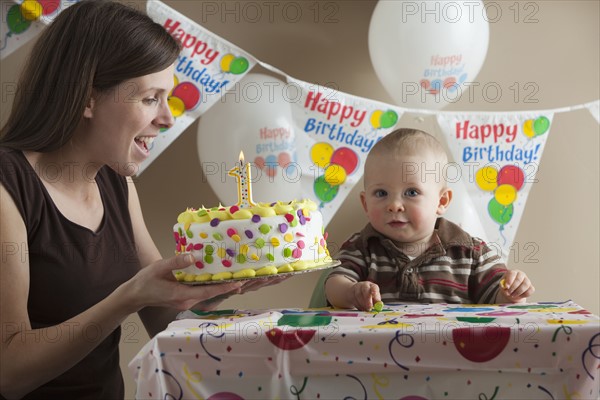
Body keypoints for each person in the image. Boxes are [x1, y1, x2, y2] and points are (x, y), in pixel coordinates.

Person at [0, 1, 281, 398]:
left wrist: (226, 287)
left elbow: (165, 317)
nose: (167, 118)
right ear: (88, 98)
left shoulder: (116, 185)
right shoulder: (8, 187)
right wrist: (126, 298)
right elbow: (8, 372)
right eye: (151, 98)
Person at [324, 128, 535, 311]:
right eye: (381, 193)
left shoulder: (469, 252)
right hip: (376, 354)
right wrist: (352, 292)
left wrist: (512, 292)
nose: (394, 205)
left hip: (454, 353)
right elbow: (333, 284)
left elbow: (499, 300)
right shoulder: (362, 247)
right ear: (365, 204)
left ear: (441, 201)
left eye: (412, 192)